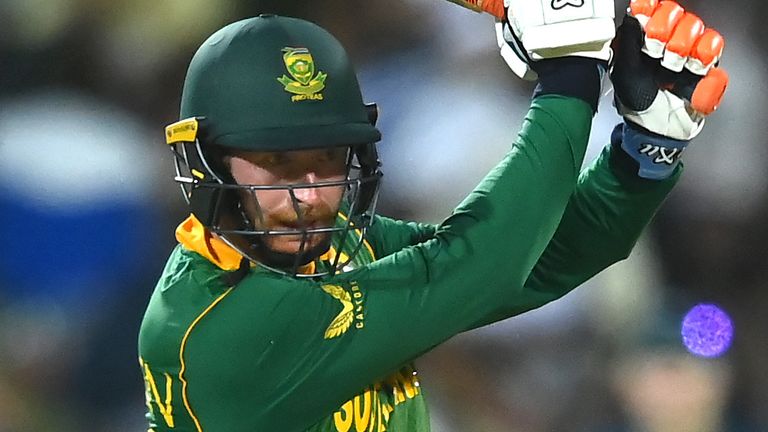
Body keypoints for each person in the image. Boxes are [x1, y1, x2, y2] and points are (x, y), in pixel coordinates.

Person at [138, 0, 729, 430]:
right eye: (275, 165)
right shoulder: (207, 330)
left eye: (327, 160)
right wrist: (568, 76)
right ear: (205, 164)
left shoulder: (339, 243)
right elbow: (479, 267)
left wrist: (644, 152)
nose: (310, 196)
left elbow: (533, 260)